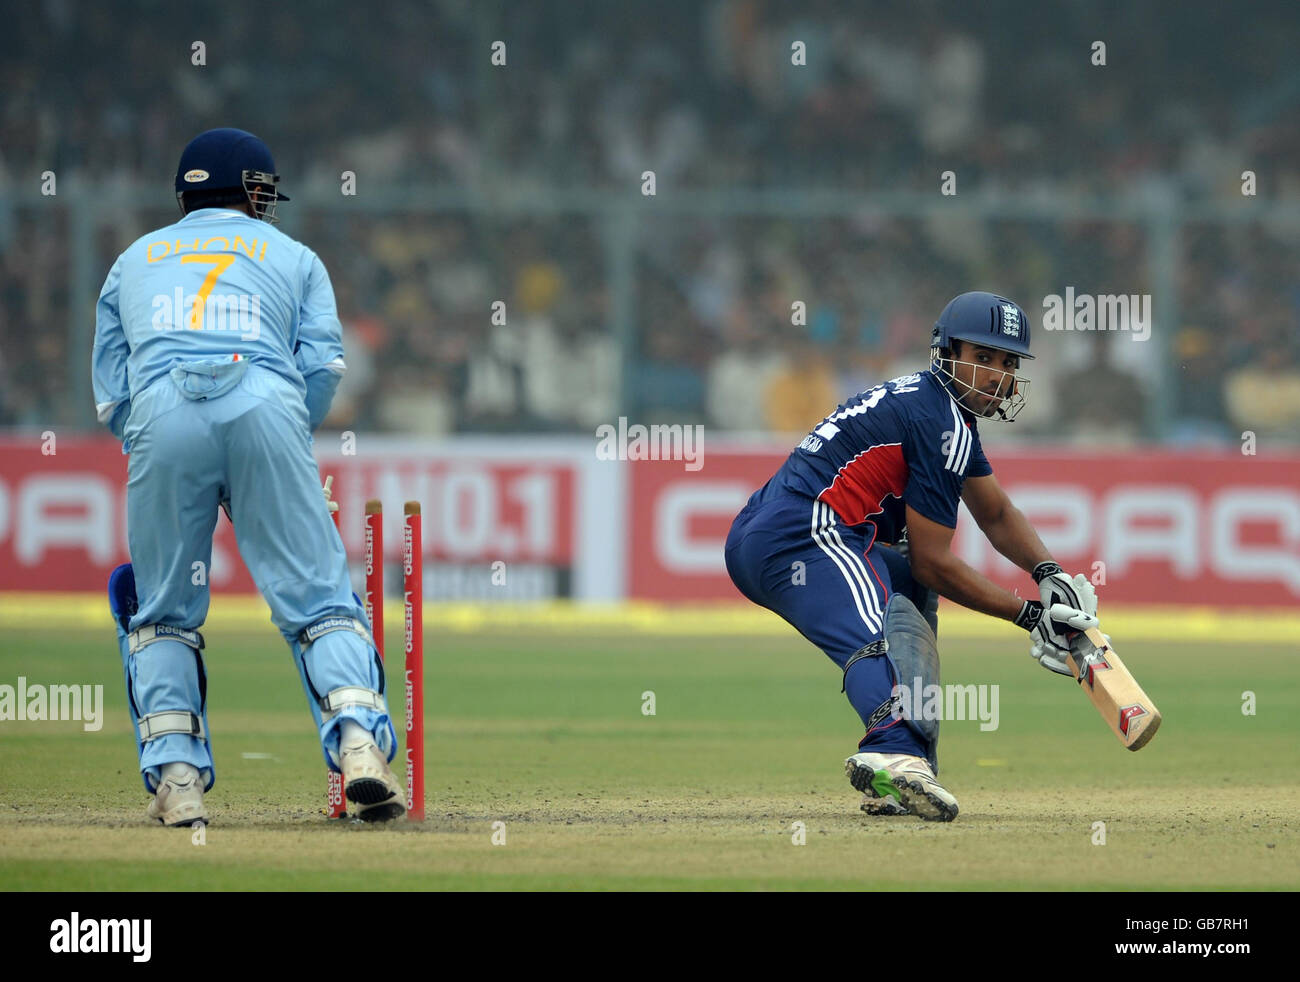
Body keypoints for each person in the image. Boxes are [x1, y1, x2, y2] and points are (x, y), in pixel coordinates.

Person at [93, 128, 405, 825]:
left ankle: (177, 784)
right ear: (254, 190)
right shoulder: (294, 256)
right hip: (265, 403)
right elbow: (322, 369)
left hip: (160, 412)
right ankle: (359, 746)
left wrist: (163, 447)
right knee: (319, 599)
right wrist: (282, 444)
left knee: (163, 612)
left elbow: (112, 398)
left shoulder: (132, 260)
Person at [724, 292, 1099, 821]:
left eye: (1008, 362)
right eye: (983, 357)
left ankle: (909, 766)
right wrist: (1030, 615)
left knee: (907, 590)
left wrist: (1049, 571)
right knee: (876, 632)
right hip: (803, 532)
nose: (997, 374)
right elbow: (935, 561)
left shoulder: (945, 415)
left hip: (783, 528)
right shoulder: (939, 418)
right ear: (945, 353)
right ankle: (894, 748)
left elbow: (993, 513)